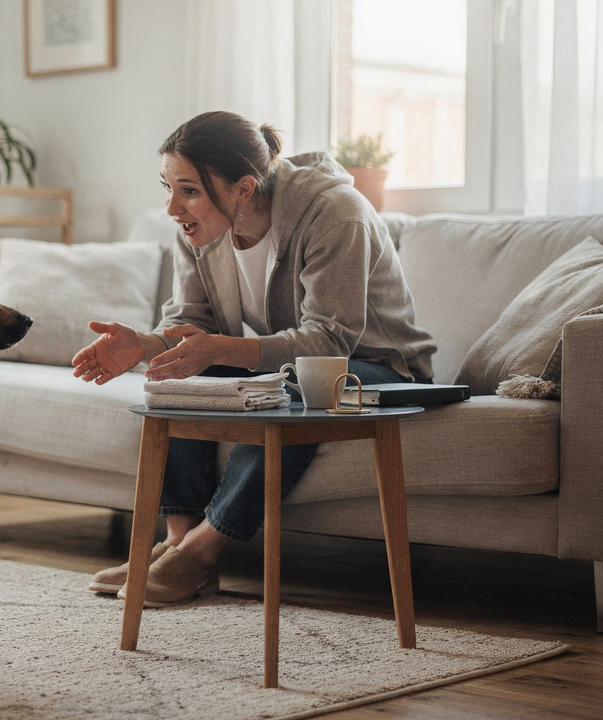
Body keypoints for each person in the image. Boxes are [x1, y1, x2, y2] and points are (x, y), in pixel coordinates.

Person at [72, 111, 437, 607]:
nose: (172, 206)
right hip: (307, 364)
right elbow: (189, 320)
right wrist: (149, 344)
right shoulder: (197, 227)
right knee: (180, 370)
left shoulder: (335, 212)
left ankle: (202, 551)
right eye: (168, 186)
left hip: (380, 368)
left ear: (243, 188)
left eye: (189, 190)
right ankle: (176, 543)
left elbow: (330, 342)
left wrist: (221, 348)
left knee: (291, 389)